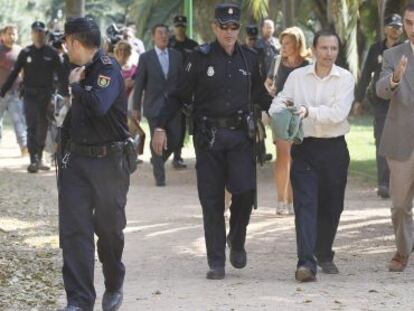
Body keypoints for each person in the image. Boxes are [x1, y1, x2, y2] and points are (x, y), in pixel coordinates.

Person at [153, 3, 268, 280]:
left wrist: (284, 108)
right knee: (211, 200)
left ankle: (236, 240)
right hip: (210, 139)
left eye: (234, 27)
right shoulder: (199, 58)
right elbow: (177, 95)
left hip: (241, 137)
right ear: (215, 28)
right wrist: (158, 126)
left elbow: (261, 96)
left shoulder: (250, 59)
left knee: (244, 192)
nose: (229, 32)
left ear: (238, 29)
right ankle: (216, 260)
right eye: (224, 26)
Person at [58, 17, 133, 311]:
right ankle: (79, 300)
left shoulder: (108, 68)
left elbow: (100, 105)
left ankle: (114, 281)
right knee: (75, 232)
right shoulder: (75, 69)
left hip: (108, 164)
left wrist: (76, 88)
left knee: (110, 230)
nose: (64, 47)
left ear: (75, 42)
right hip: (75, 162)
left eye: (66, 42)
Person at [269, 29, 354, 282]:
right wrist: (277, 113)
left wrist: (307, 111)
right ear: (315, 50)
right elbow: (281, 100)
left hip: (334, 149)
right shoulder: (297, 77)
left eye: (334, 49)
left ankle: (324, 252)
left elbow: (338, 113)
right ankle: (305, 263)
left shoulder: (345, 78)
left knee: (332, 206)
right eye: (324, 48)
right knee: (305, 205)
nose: (329, 53)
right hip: (305, 149)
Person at [0, 21, 68, 173]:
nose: (39, 35)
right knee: (31, 126)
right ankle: (33, 160)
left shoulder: (52, 53)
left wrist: (65, 93)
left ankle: (40, 154)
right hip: (30, 95)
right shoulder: (26, 52)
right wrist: (3, 90)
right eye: (36, 32)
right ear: (32, 34)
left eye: (41, 32)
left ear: (45, 34)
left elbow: (62, 75)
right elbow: (14, 72)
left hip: (46, 95)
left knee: (43, 127)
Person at [376, 3, 414, 273]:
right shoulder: (392, 55)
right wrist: (395, 78)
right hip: (401, 141)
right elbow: (380, 90)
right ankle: (403, 250)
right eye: (410, 23)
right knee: (399, 205)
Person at [355, 14, 403, 199]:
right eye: (392, 26)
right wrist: (358, 100)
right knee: (382, 141)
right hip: (381, 103)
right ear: (385, 29)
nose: (395, 29)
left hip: (402, 102)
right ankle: (384, 183)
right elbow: (366, 74)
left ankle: (399, 183)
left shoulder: (406, 49)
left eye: (398, 27)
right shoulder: (376, 49)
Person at [265, 26, 310, 215]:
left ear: (297, 44)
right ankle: (281, 200)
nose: (283, 46)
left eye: (287, 43)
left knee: (296, 156)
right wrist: (270, 89)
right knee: (283, 154)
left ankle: (292, 201)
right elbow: (267, 82)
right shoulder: (277, 62)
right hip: (281, 112)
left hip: (299, 113)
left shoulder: (308, 65)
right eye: (282, 43)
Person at [132, 24, 184, 186]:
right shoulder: (146, 58)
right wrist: (135, 108)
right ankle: (160, 177)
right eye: (160, 33)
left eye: (166, 33)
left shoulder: (177, 56)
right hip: (154, 107)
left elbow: (183, 82)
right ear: (153, 36)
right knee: (157, 139)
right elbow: (139, 84)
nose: (163, 36)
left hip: (173, 107)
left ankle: (157, 159)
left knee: (175, 138)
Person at [168, 15, 199, 169]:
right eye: (177, 25)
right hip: (172, 90)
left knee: (186, 125)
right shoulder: (169, 44)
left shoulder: (193, 45)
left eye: (182, 25)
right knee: (173, 124)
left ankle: (179, 156)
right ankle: (173, 154)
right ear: (174, 27)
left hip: (189, 90)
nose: (180, 28)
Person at [0, 25, 27, 156]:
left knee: (19, 121)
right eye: (9, 33)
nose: (12, 36)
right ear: (3, 35)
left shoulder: (20, 51)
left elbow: (24, 71)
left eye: (14, 34)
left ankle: (24, 148)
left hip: (15, 93)